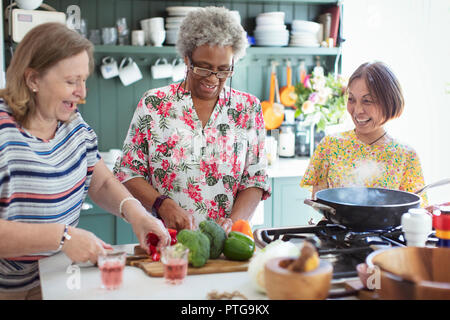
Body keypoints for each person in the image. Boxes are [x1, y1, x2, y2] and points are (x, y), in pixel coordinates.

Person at [0, 23, 170, 299]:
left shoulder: (72, 123)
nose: (83, 92)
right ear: (33, 79)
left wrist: (136, 214)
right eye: (71, 81)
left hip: (58, 279)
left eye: (84, 80)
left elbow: (99, 181)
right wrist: (62, 236)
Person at [114, 7, 271, 233]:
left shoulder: (247, 108)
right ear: (186, 59)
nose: (213, 79)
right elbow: (128, 172)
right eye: (203, 68)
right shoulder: (154, 104)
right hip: (167, 238)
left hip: (229, 245)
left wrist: (232, 223)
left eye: (223, 70)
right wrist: (163, 205)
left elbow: (255, 180)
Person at [301, 61, 427, 204]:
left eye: (367, 101)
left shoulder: (406, 155)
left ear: (389, 102)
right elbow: (319, 201)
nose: (357, 110)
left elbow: (415, 212)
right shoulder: (330, 145)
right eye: (351, 99)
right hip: (336, 226)